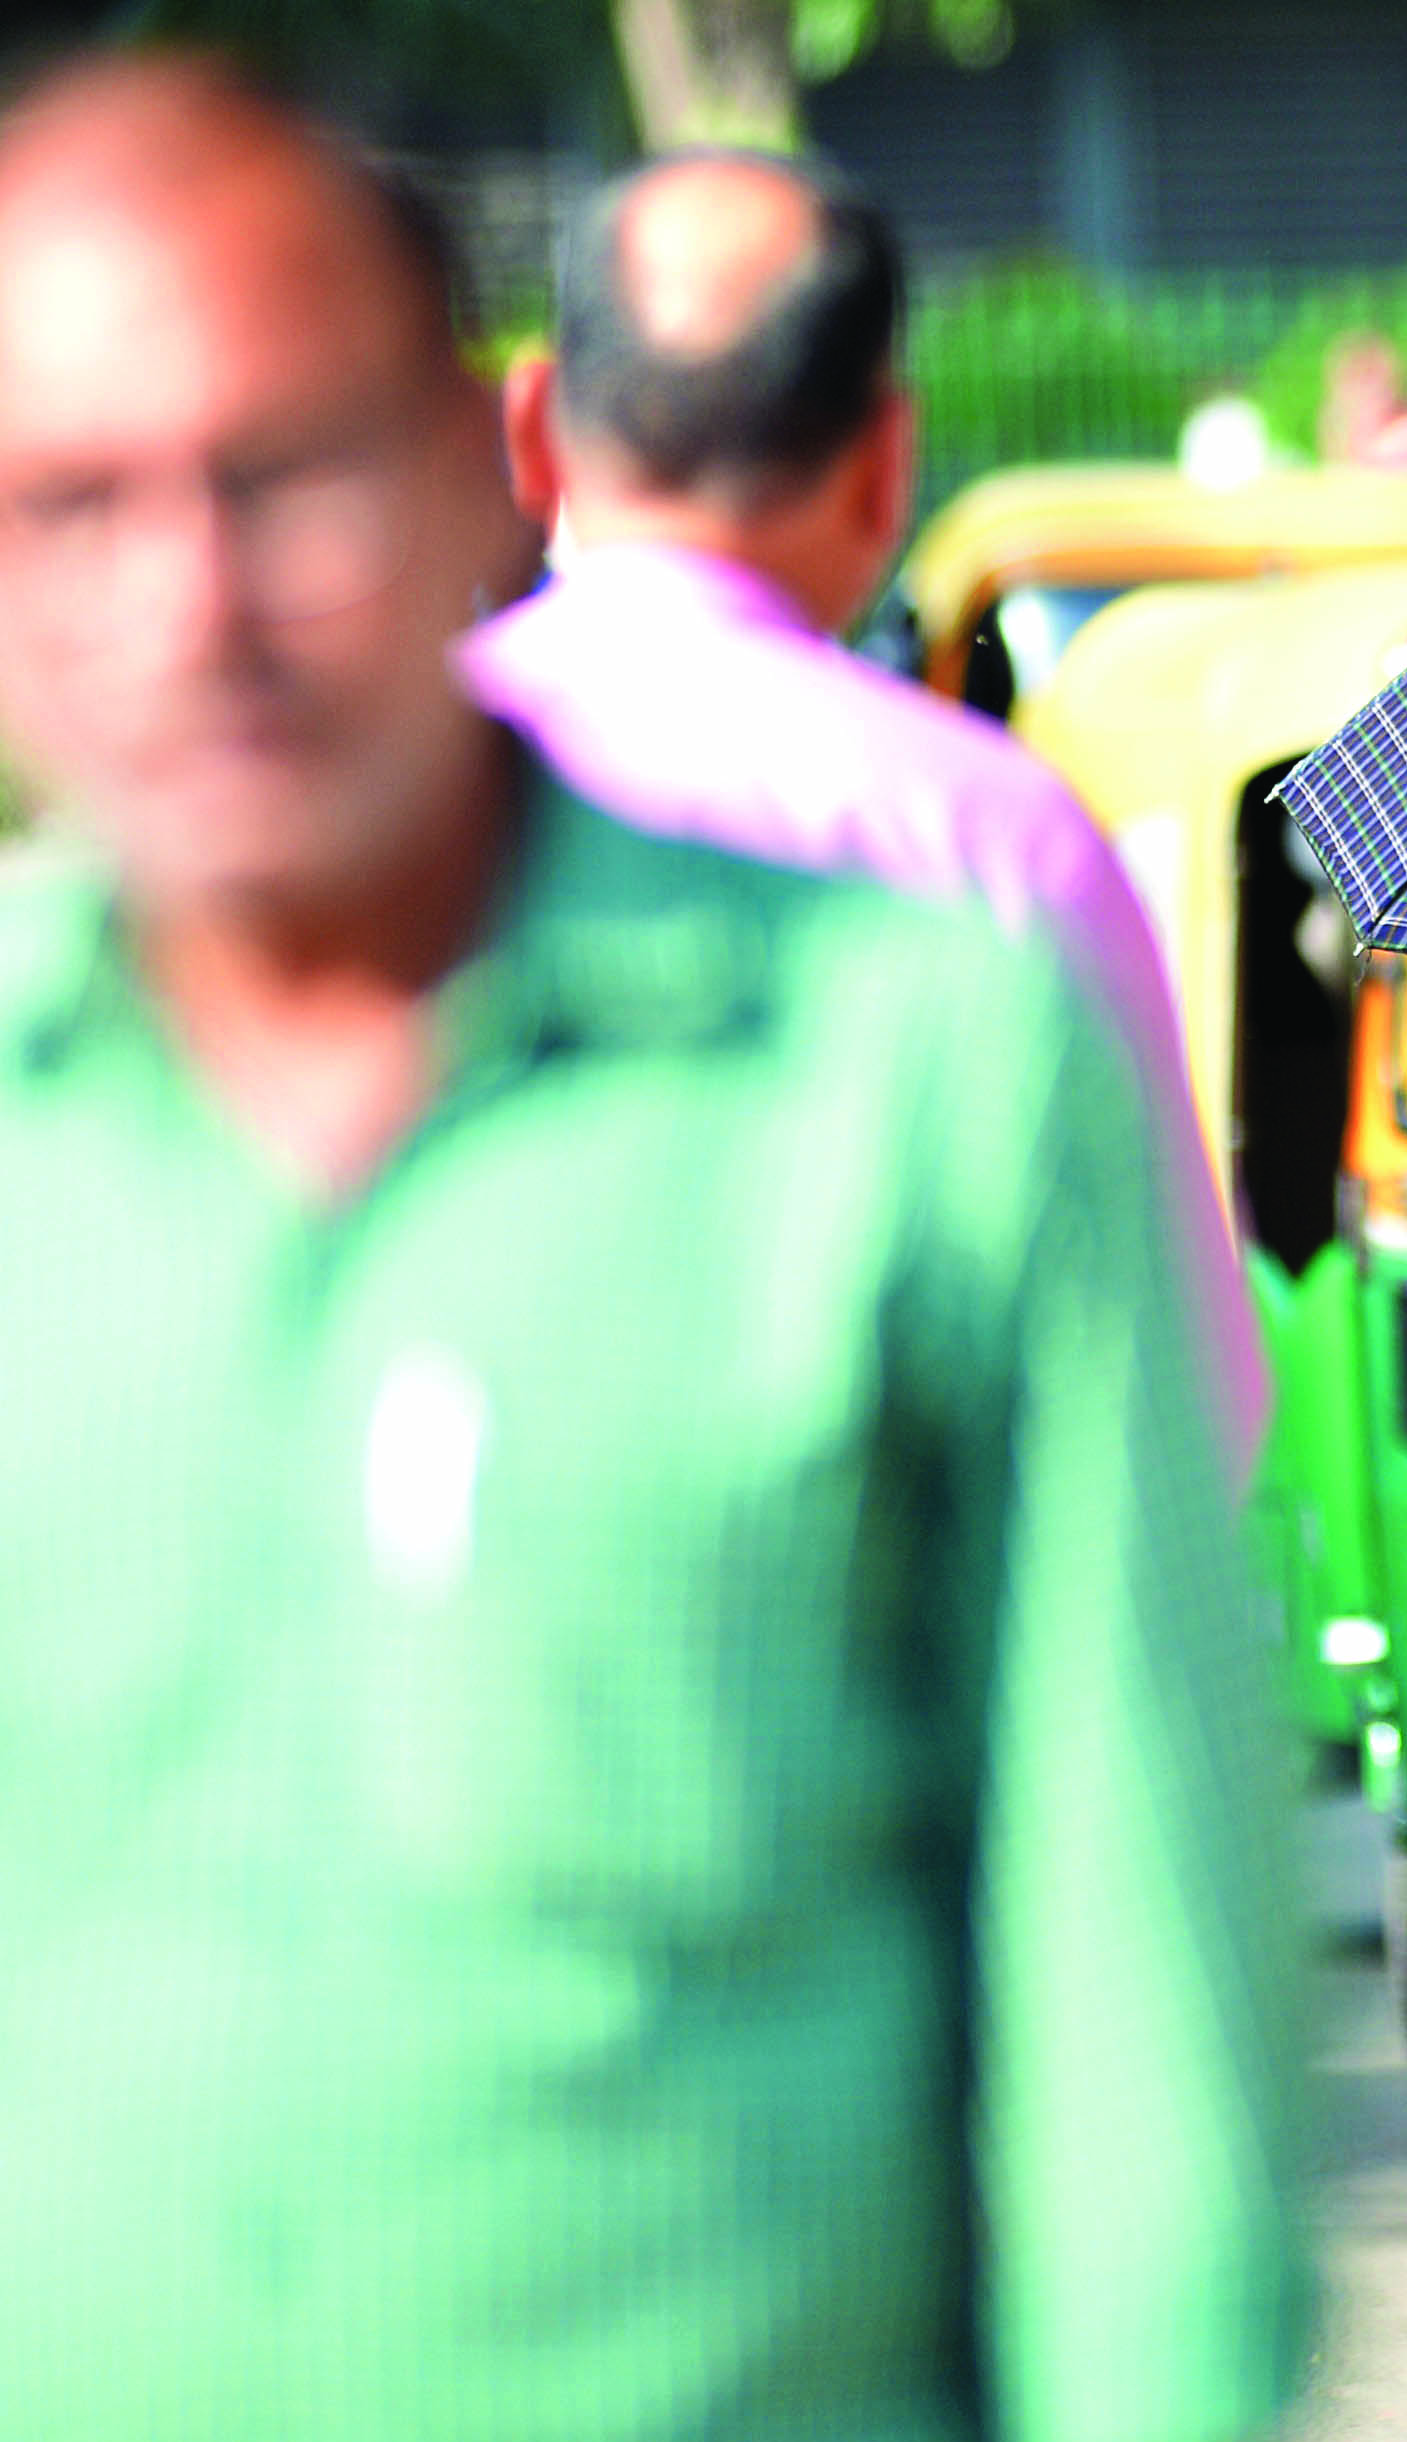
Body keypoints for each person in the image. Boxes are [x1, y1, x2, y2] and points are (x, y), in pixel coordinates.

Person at [0, 59, 1306, 2442]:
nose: (191, 605)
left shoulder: (924, 1064)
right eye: (74, 508)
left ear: (482, 459)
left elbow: (1133, 1940)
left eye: (280, 476)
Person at [467, 147, 1270, 1470]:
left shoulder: (365, 810)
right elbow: (1169, 1388)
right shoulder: (994, 832)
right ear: (888, 459)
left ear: (530, 424)